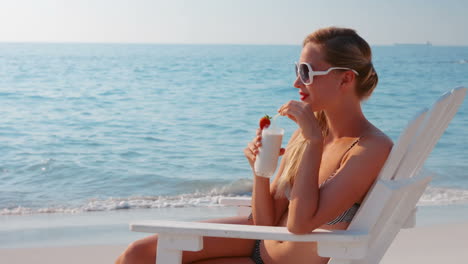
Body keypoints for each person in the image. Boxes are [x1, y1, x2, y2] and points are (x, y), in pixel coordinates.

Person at [115, 26, 393, 264]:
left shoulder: (369, 148)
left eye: (307, 72)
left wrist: (313, 143)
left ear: (345, 78)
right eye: (298, 69)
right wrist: (260, 173)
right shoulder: (308, 133)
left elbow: (300, 225)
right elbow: (265, 224)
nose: (297, 81)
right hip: (259, 245)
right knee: (138, 254)